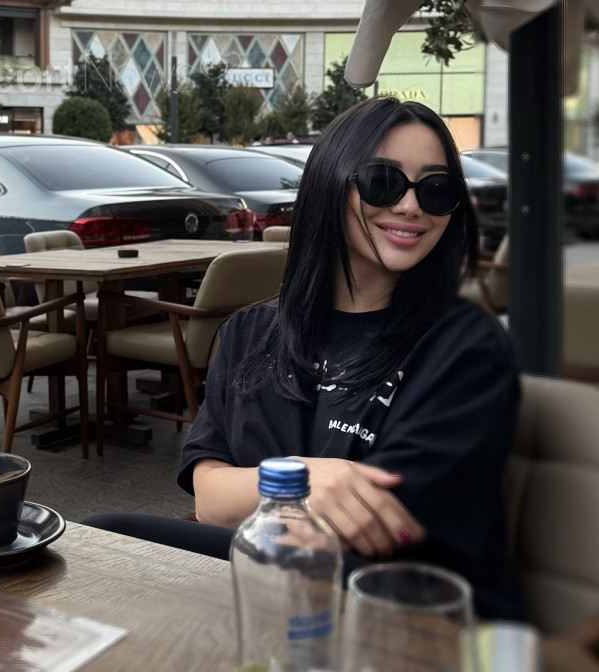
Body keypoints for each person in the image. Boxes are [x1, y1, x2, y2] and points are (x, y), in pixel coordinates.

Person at [85, 97, 523, 620]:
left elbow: (374, 527)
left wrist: (259, 493)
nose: (411, 206)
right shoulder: (249, 332)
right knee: (100, 539)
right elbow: (209, 496)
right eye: (382, 181)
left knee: (113, 540)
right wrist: (308, 479)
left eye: (436, 190)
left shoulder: (466, 348)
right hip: (261, 596)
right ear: (329, 185)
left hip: (402, 614)